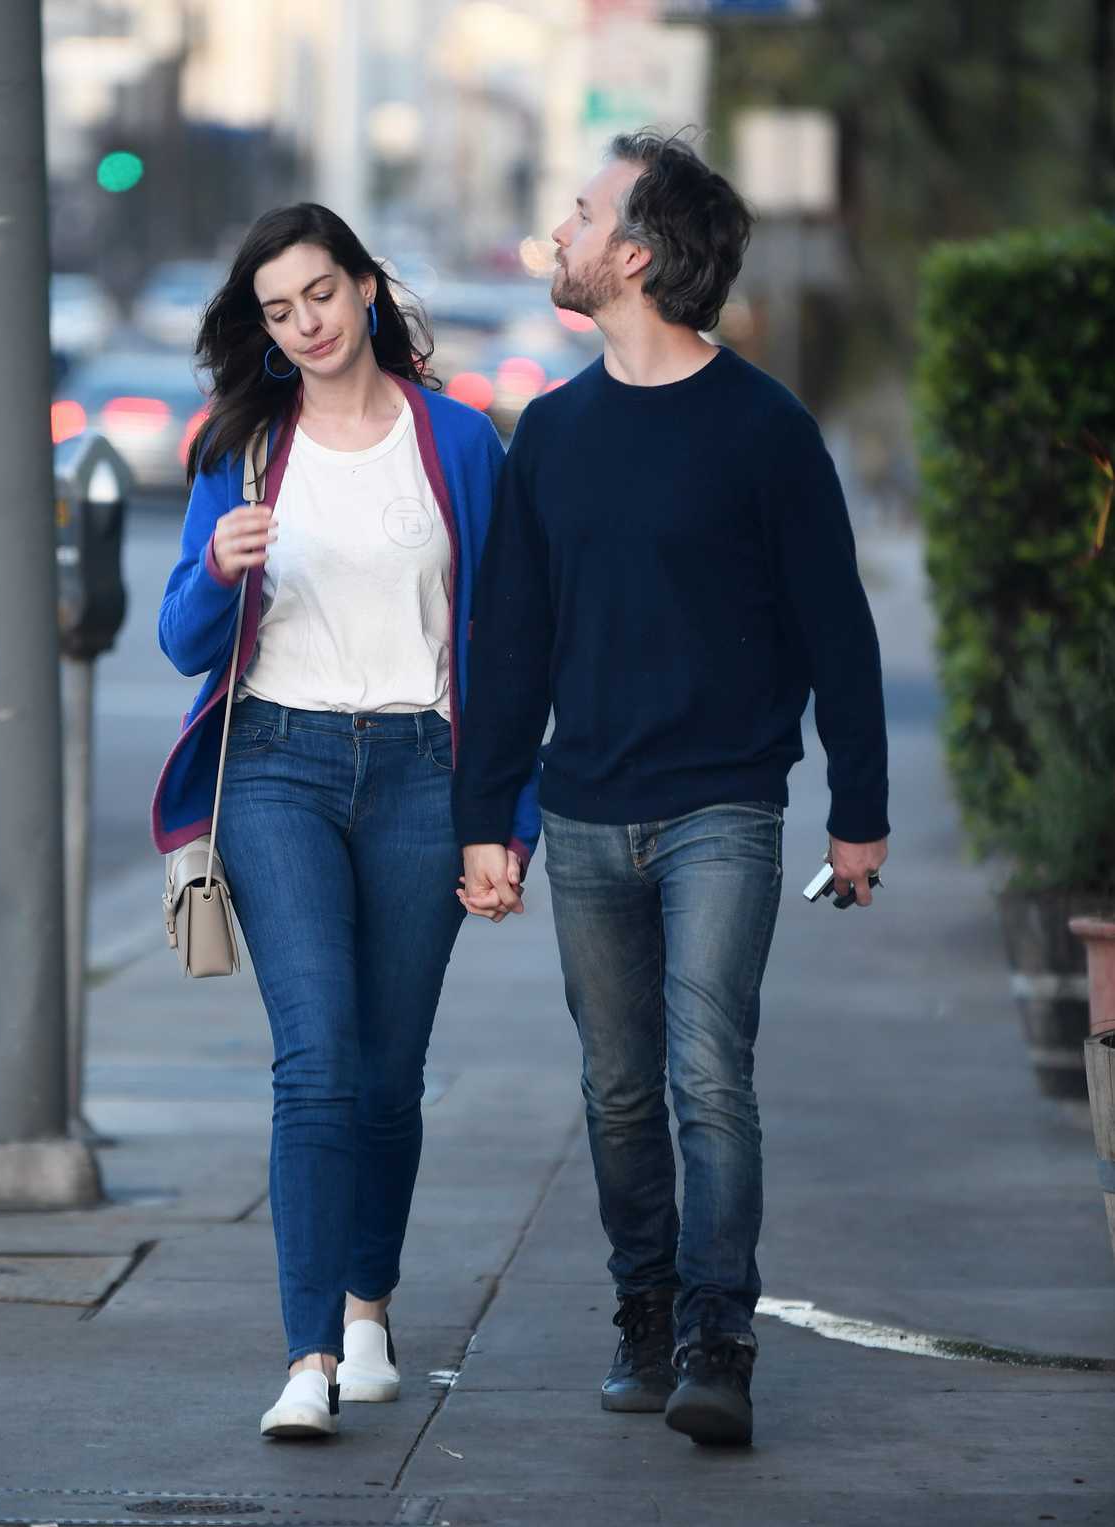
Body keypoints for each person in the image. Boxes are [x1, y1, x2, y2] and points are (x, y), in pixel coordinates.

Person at [452, 131, 890, 1447]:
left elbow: (837, 629)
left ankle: (716, 1335)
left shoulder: (763, 431)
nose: (560, 232)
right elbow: (510, 636)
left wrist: (856, 812)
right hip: (583, 807)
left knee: (708, 1073)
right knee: (619, 1087)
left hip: (722, 807)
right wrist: (490, 817)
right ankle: (642, 1311)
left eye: (580, 214)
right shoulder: (555, 433)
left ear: (632, 255)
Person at [151, 203, 540, 1441]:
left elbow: (508, 647)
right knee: (315, 1062)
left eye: (320, 294)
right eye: (277, 310)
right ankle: (308, 1357)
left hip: (426, 773)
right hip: (277, 765)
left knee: (385, 1077)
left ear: (366, 289)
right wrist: (216, 566)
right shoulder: (243, 447)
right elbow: (178, 644)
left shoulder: (461, 443)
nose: (305, 323)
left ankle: (369, 1310)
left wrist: (505, 821)